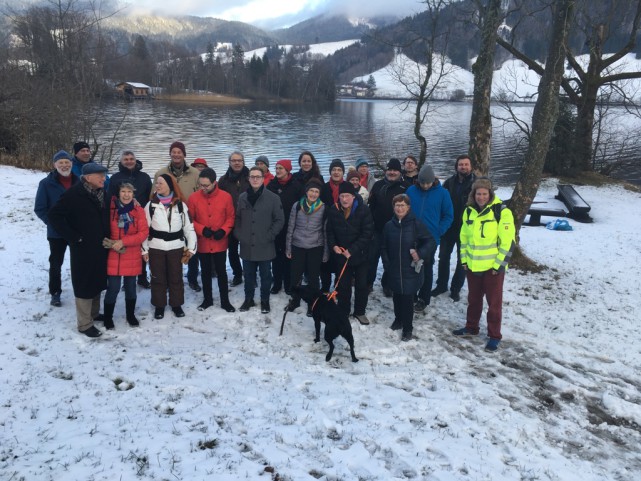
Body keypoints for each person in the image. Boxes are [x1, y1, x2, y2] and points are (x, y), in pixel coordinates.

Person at [452, 178, 515, 352]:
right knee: (473, 300)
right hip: (473, 266)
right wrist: (464, 260)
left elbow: (508, 242)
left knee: (494, 304)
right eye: (478, 194)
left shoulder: (502, 212)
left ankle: (494, 335)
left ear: (490, 194)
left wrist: (498, 266)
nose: (481, 197)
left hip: (492, 268)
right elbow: (464, 239)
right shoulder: (468, 211)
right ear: (473, 195)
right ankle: (471, 327)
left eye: (484, 194)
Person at [48, 163, 110, 337]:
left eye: (104, 175)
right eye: (100, 176)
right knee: (84, 283)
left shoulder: (103, 193)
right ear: (88, 178)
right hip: (83, 247)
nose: (104, 178)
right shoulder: (74, 194)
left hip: (100, 245)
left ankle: (94, 314)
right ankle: (84, 324)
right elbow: (54, 215)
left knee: (97, 280)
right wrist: (73, 236)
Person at [143, 173, 197, 320]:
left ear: (170, 185)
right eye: (156, 183)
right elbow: (144, 229)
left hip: (176, 247)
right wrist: (144, 250)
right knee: (157, 277)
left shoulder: (180, 205)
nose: (157, 186)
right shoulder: (150, 206)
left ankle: (176, 304)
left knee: (176, 277)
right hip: (156, 247)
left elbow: (189, 227)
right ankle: (159, 305)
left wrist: (191, 248)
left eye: (160, 183)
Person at [382, 194, 435, 341]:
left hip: (410, 269)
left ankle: (407, 328)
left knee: (407, 299)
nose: (399, 208)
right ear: (393, 207)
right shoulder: (389, 226)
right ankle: (398, 319)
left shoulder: (416, 224)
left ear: (408, 207)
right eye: (397, 205)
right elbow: (384, 247)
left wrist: (420, 253)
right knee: (397, 296)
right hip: (394, 268)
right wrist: (387, 264)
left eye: (402, 205)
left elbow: (430, 241)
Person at [234, 166, 285, 313]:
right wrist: (239, 234)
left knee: (266, 275)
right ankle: (248, 299)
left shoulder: (273, 198)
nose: (255, 179)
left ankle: (265, 300)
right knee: (248, 275)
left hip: (265, 244)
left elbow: (279, 220)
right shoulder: (243, 197)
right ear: (249, 179)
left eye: (258, 177)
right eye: (252, 177)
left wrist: (270, 235)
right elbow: (238, 218)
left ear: (263, 179)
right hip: (247, 244)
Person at [187, 168, 236, 313]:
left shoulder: (226, 197)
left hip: (220, 241)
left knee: (221, 271)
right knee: (205, 271)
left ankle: (225, 301)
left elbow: (230, 217)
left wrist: (224, 230)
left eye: (206, 185)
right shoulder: (194, 198)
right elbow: (190, 219)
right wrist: (201, 229)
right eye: (201, 185)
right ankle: (207, 299)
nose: (203, 188)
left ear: (214, 182)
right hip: (203, 241)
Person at [34, 150, 80, 307]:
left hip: (76, 231)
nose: (64, 165)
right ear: (55, 165)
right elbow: (40, 208)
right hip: (56, 232)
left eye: (67, 162)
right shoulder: (46, 184)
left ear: (71, 164)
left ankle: (81, 290)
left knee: (79, 262)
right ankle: (55, 292)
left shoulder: (79, 181)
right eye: (61, 162)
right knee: (55, 263)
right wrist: (53, 223)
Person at [154, 141, 200, 291]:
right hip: (167, 217)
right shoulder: (161, 173)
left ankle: (192, 278)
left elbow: (201, 194)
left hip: (188, 215)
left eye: (179, 152)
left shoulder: (195, 173)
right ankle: (168, 280)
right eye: (173, 152)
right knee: (168, 251)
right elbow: (153, 195)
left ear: (184, 154)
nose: (176, 155)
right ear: (170, 154)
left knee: (191, 248)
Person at [326, 181, 374, 325]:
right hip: (342, 256)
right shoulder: (334, 210)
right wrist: (334, 246)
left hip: (360, 255)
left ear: (353, 196)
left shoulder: (363, 210)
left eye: (347, 196)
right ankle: (343, 311)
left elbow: (367, 234)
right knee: (343, 285)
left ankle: (360, 311)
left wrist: (352, 250)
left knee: (361, 285)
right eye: (342, 196)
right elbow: (330, 231)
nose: (344, 199)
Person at [406, 164, 453, 313]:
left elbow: (448, 215)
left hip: (430, 237)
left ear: (433, 180)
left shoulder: (443, 193)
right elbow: (404, 209)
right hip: (411, 234)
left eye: (428, 183)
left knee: (426, 267)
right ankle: (411, 294)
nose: (425, 186)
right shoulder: (411, 191)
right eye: (422, 182)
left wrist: (439, 231)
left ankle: (423, 298)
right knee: (411, 265)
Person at [103, 182, 149, 329]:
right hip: (114, 253)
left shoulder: (138, 210)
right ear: (118, 193)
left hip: (131, 253)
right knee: (113, 288)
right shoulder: (110, 209)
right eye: (123, 191)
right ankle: (108, 317)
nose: (126, 195)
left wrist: (123, 242)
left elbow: (143, 233)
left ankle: (130, 315)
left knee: (130, 288)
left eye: (129, 192)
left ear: (133, 194)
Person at [432, 154, 476, 302]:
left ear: (471, 166)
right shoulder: (449, 183)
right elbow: (440, 201)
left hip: (467, 228)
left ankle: (456, 288)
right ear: (456, 166)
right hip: (449, 227)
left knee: (462, 260)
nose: (463, 167)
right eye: (460, 164)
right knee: (443, 257)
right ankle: (441, 285)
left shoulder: (476, 183)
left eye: (466, 164)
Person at [107, 149, 153, 288]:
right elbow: (111, 197)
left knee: (140, 246)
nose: (129, 161)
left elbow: (150, 196)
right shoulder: (115, 178)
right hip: (120, 216)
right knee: (124, 249)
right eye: (126, 159)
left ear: (135, 160)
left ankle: (142, 277)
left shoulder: (144, 177)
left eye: (131, 159)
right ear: (121, 162)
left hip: (140, 215)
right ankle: (123, 277)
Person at [285, 179, 328, 316]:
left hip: (315, 246)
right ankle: (295, 300)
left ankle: (312, 303)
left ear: (319, 194)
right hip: (298, 245)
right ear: (306, 191)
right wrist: (288, 247)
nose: (313, 194)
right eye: (311, 191)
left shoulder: (323, 208)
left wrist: (325, 252)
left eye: (316, 192)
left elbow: (325, 231)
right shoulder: (297, 206)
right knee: (295, 275)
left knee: (313, 277)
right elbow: (291, 227)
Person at [367, 158, 407, 296]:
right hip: (377, 229)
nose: (392, 172)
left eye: (395, 170)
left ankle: (387, 284)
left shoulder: (405, 187)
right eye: (390, 170)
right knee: (372, 258)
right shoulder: (378, 185)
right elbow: (371, 206)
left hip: (395, 231)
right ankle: (368, 283)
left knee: (391, 260)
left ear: (399, 172)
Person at [266, 159, 303, 295]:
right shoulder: (271, 186)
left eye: (281, 168)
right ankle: (277, 283)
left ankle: (288, 283)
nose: (278, 171)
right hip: (275, 226)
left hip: (291, 226)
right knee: (276, 256)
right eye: (276, 168)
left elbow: (302, 206)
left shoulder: (296, 185)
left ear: (288, 170)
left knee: (289, 256)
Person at [218, 151, 250, 287]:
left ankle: (250, 273)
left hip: (248, 220)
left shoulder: (251, 177)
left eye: (239, 160)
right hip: (230, 220)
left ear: (243, 162)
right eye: (234, 160)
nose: (237, 163)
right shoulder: (223, 180)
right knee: (232, 250)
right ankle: (237, 273)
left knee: (248, 248)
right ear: (229, 162)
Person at [319, 158, 345, 292]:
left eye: (339, 170)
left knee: (339, 259)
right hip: (325, 227)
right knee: (325, 260)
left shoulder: (347, 187)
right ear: (330, 172)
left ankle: (338, 287)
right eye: (334, 170)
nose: (336, 172)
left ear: (343, 172)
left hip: (342, 228)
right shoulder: (323, 188)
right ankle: (325, 287)